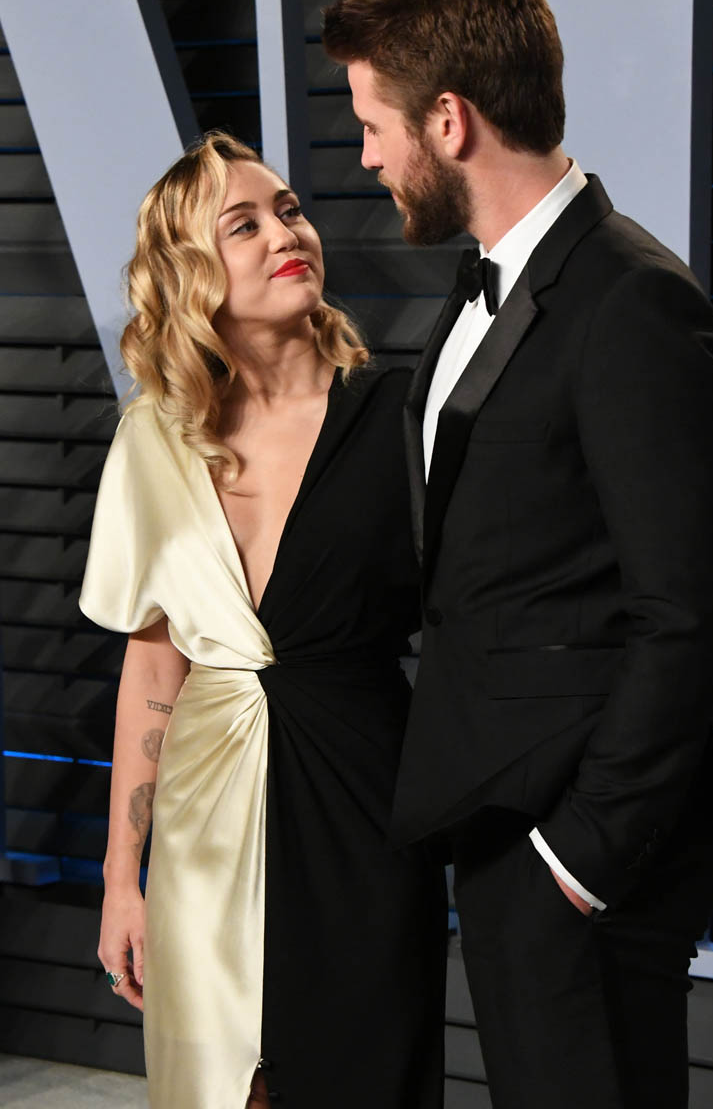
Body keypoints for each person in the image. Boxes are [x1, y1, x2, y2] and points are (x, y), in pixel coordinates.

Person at [322, 0, 713, 1109]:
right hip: (498, 822)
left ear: (448, 121)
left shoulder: (630, 301)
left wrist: (577, 859)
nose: (364, 157)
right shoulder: (490, 284)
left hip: (579, 853)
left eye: (372, 126)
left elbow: (686, 617)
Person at [79, 130, 447, 1109]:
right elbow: (153, 670)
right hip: (202, 821)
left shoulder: (402, 415)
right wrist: (123, 878)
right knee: (223, 1087)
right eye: (242, 224)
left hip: (366, 804)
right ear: (188, 270)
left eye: (288, 211)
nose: (286, 233)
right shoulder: (154, 438)